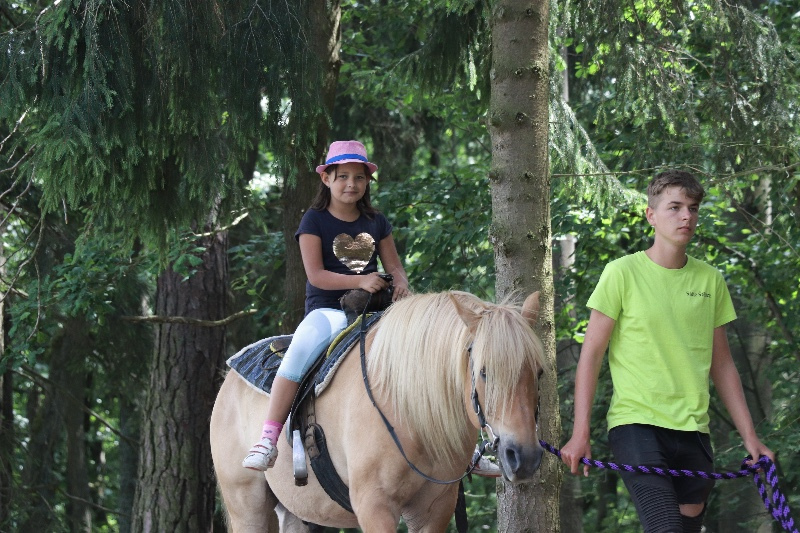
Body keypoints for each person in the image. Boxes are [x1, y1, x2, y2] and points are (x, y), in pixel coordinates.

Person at [559, 170, 774, 532]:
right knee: (665, 527)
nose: (686, 216)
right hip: (636, 426)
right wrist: (581, 432)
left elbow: (723, 366)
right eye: (674, 207)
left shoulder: (710, 280)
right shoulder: (621, 273)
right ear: (651, 215)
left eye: (692, 208)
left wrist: (750, 437)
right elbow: (591, 356)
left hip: (694, 432)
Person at [242, 140, 410, 471]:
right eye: (343, 176)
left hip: (374, 310)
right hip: (327, 311)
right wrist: (360, 280)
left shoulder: (377, 221)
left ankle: (462, 448)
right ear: (326, 179)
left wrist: (401, 283)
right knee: (300, 351)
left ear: (367, 181)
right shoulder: (314, 220)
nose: (351, 184)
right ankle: (267, 439)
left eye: (359, 177)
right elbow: (316, 276)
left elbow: (395, 267)